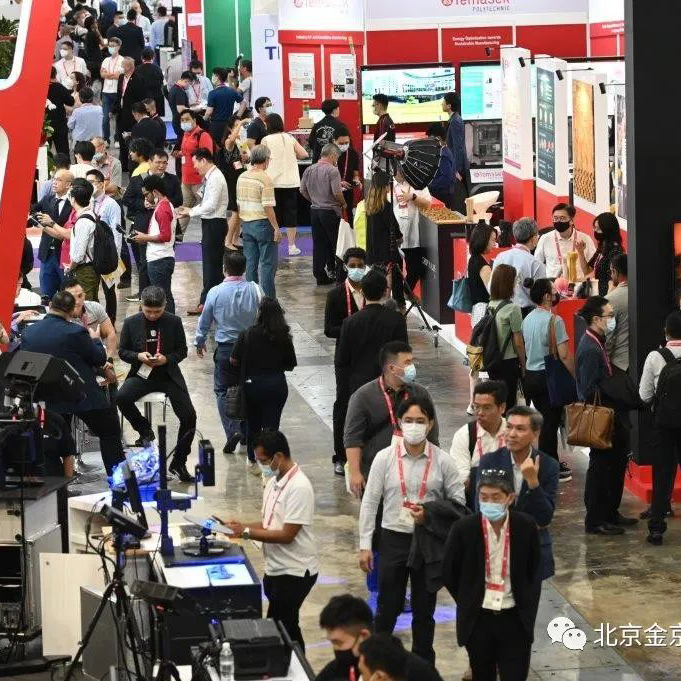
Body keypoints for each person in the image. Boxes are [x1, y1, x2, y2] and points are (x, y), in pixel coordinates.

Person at [359, 396, 465, 663]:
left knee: (424, 609)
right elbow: (370, 502)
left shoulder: (443, 461)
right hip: (393, 538)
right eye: (409, 420)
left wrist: (430, 514)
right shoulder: (384, 458)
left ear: (430, 424)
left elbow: (459, 504)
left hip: (427, 540)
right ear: (399, 422)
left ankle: (423, 663)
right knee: (388, 605)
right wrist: (365, 544)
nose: (414, 426)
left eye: (420, 421)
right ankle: (378, 662)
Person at [214, 429, 317, 650]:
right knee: (288, 628)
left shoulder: (299, 487)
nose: (261, 465)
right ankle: (297, 663)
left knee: (279, 629)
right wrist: (239, 526)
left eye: (263, 461)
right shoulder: (272, 483)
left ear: (278, 456)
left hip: (295, 571)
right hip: (275, 568)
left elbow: (287, 535)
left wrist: (245, 532)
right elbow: (268, 524)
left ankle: (293, 664)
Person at [442, 468, 541, 681]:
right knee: (482, 675)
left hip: (515, 618)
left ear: (510, 498)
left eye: (496, 497)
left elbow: (533, 570)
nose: (489, 503)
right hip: (479, 619)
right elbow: (449, 571)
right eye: (484, 497)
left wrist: (527, 609)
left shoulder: (525, 527)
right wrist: (468, 598)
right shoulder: (464, 528)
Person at [21, 291, 124, 475]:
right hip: (81, 395)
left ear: (50, 306)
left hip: (47, 399)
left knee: (55, 438)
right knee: (110, 432)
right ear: (71, 311)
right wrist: (95, 340)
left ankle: (58, 481)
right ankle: (118, 480)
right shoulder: (76, 331)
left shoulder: (29, 332)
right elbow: (98, 358)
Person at [117, 285, 197, 482]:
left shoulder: (174, 321)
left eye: (157, 311)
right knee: (121, 397)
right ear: (141, 305)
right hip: (141, 375)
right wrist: (138, 356)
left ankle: (179, 461)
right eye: (148, 311)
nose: (153, 315)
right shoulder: (131, 323)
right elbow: (123, 352)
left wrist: (167, 359)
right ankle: (145, 430)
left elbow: (182, 351)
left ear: (165, 306)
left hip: (168, 375)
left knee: (189, 416)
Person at [344, 340, 439, 498]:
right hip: (376, 474)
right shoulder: (363, 396)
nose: (412, 367)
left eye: (412, 362)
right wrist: (355, 473)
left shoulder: (420, 393)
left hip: (415, 473)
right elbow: (353, 438)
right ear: (392, 368)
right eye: (407, 363)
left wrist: (434, 468)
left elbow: (433, 435)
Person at [576, 296, 637, 535]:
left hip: (611, 415)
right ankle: (595, 519)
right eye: (609, 316)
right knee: (601, 468)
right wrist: (614, 391)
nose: (612, 320)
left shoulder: (598, 342)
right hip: (601, 418)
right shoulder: (590, 348)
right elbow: (588, 389)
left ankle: (610, 512)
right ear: (596, 319)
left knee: (615, 465)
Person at [478, 406, 559, 581]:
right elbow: (481, 510)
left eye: (520, 429)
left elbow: (544, 518)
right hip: (495, 548)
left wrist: (533, 482)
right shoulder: (489, 461)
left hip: (531, 551)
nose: (512, 434)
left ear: (535, 434)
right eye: (509, 427)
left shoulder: (549, 465)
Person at [195, 251, 261, 454]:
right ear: (245, 269)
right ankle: (248, 432)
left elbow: (205, 319)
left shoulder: (215, 292)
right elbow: (264, 315)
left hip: (226, 349)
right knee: (250, 389)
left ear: (224, 269)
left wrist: (199, 340)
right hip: (251, 348)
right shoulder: (255, 289)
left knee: (223, 390)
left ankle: (232, 430)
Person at [230, 298, 297, 468]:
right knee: (272, 425)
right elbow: (291, 364)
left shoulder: (247, 334)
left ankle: (253, 458)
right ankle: (271, 458)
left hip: (252, 384)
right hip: (276, 384)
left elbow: (233, 360)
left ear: (259, 313)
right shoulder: (284, 336)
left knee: (253, 424)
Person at [316, 595, 444, 681]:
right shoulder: (335, 672)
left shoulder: (417, 672)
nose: (336, 650)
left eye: (338, 642)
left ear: (364, 636)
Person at [522, 279, 574, 481]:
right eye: (553, 291)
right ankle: (548, 467)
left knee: (546, 421)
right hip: (548, 378)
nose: (556, 293)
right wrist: (576, 376)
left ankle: (549, 462)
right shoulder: (555, 321)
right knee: (550, 424)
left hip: (530, 376)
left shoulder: (527, 319)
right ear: (546, 296)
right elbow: (564, 354)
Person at [639, 310, 681, 545]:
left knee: (662, 473)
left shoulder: (655, 357)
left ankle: (656, 527)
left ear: (666, 331)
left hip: (664, 424)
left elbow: (644, 396)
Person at [325, 247, 367, 475]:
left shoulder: (371, 291)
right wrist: (352, 328)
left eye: (360, 266)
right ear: (345, 267)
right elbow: (328, 329)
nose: (356, 269)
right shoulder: (335, 295)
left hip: (368, 357)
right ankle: (340, 456)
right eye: (352, 266)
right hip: (345, 360)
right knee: (343, 405)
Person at [337, 271, 408, 397]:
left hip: (359, 387)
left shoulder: (350, 322)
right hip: (389, 386)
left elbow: (342, 361)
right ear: (385, 291)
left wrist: (344, 394)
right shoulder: (397, 320)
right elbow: (403, 356)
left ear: (362, 292)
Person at [176, 148, 228, 314]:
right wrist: (190, 210)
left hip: (215, 224)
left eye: (195, 163)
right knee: (212, 265)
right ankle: (215, 301)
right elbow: (207, 202)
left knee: (211, 266)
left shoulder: (216, 178)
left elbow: (211, 205)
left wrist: (191, 211)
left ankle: (206, 303)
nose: (194, 167)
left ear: (203, 160)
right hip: (211, 223)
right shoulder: (211, 177)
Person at [450, 380, 508, 508]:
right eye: (476, 407)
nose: (480, 412)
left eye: (487, 408)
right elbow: (462, 481)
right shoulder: (465, 435)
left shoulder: (513, 433)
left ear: (502, 408)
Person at [236, 144, 281, 299]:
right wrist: (276, 228)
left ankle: (252, 298)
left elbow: (239, 203)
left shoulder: (242, 176)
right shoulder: (265, 179)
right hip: (262, 224)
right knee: (268, 265)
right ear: (266, 159)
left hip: (246, 224)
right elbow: (268, 207)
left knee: (250, 264)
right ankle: (268, 302)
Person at [128, 175, 177, 313]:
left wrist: (145, 238)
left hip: (160, 259)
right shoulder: (163, 206)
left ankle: (170, 322)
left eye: (146, 195)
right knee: (164, 295)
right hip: (159, 258)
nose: (145, 199)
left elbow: (165, 236)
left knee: (163, 296)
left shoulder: (163, 208)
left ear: (155, 192)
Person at [262, 113, 309, 257]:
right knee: (291, 214)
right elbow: (304, 154)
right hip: (290, 181)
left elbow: (261, 157)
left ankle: (272, 244)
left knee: (272, 213)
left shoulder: (266, 139)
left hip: (272, 181)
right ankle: (292, 245)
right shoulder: (290, 138)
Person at [300, 143, 346, 285]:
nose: (336, 160)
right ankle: (340, 275)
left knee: (319, 244)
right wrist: (343, 203)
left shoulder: (309, 169)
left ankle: (320, 275)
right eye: (336, 157)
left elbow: (302, 190)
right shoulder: (333, 171)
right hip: (330, 211)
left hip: (315, 211)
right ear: (332, 155)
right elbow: (337, 192)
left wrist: (314, 199)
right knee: (337, 244)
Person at [62, 275, 118, 387]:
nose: (77, 301)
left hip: (99, 356)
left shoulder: (94, 307)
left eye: (80, 296)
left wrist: (109, 359)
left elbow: (110, 333)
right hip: (76, 362)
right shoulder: (61, 317)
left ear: (85, 295)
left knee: (112, 381)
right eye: (72, 297)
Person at [486, 264, 526, 410]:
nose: (516, 283)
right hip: (508, 362)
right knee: (508, 404)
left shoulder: (490, 305)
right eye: (514, 280)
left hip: (492, 360)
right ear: (508, 283)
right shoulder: (513, 309)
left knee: (497, 402)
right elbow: (518, 342)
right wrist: (524, 365)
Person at [466, 224, 497, 411]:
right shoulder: (483, 265)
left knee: (476, 358)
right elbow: (493, 291)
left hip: (477, 312)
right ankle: (479, 403)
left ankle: (473, 402)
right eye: (492, 239)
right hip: (485, 313)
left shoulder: (473, 260)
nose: (494, 243)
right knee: (484, 358)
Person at [86, 168, 122, 323]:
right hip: (91, 254)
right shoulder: (87, 202)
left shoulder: (111, 204)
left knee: (109, 290)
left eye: (91, 182)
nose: (88, 186)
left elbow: (117, 231)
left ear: (101, 184)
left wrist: (116, 256)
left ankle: (111, 322)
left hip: (107, 254)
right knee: (92, 289)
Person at [365, 170, 404, 308]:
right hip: (387, 253)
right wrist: (399, 238)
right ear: (385, 187)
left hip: (373, 253)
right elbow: (394, 229)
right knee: (394, 282)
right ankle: (397, 305)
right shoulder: (385, 207)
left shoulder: (369, 206)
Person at [33, 169, 74, 298]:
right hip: (46, 254)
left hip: (64, 255)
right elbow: (31, 211)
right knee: (46, 295)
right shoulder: (47, 199)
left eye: (59, 180)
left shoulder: (73, 204)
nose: (54, 182)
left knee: (67, 295)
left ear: (68, 184)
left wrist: (46, 226)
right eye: (54, 179)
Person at [492, 217, 546, 317]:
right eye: (537, 235)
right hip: (526, 314)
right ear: (533, 238)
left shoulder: (500, 256)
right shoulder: (535, 263)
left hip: (500, 311)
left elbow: (491, 286)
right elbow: (540, 296)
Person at [176, 108, 214, 238]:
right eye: (182, 120)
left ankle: (209, 236)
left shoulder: (202, 135)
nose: (184, 122)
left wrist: (204, 177)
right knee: (184, 208)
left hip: (199, 181)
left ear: (194, 120)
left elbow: (207, 158)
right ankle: (178, 236)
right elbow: (187, 152)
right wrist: (180, 153)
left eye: (187, 119)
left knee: (206, 209)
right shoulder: (185, 134)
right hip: (186, 179)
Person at [392, 170, 431, 292]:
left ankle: (406, 293)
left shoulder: (417, 182)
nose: (402, 172)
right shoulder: (388, 184)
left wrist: (413, 197)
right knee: (395, 272)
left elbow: (427, 204)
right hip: (395, 235)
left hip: (413, 236)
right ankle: (399, 298)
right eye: (399, 169)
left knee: (415, 270)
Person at [535, 203, 596, 280]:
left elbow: (594, 265)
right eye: (555, 218)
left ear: (571, 221)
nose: (558, 221)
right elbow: (537, 263)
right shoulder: (545, 238)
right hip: (554, 283)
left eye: (562, 218)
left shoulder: (585, 239)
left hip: (579, 283)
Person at [216, 116, 249, 251]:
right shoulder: (228, 142)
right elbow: (232, 138)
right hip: (231, 179)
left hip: (241, 177)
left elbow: (246, 159)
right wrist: (241, 123)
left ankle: (235, 239)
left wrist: (246, 158)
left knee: (240, 211)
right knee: (235, 211)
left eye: (240, 126)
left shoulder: (241, 143)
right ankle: (227, 240)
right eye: (236, 126)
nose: (239, 128)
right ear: (230, 129)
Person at [577, 212, 624, 296]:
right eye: (594, 227)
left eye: (598, 229)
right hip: (597, 293)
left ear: (607, 230)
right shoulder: (602, 246)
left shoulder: (615, 250)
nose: (595, 231)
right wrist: (581, 252)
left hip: (606, 296)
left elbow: (613, 282)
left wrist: (607, 301)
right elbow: (587, 271)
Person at [67, 178, 99, 301]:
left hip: (85, 270)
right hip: (91, 267)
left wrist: (70, 268)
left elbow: (78, 255)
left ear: (73, 199)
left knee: (85, 304)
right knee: (92, 302)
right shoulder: (90, 214)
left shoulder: (83, 222)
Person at [115, 57, 146, 172]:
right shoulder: (121, 77)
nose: (121, 67)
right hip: (121, 112)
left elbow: (141, 97)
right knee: (121, 137)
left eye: (123, 65)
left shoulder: (138, 79)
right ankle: (123, 164)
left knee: (131, 139)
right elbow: (119, 94)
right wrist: (114, 109)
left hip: (132, 114)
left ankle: (133, 163)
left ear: (128, 67)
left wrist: (137, 112)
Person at [442, 92, 468, 213]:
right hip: (454, 166)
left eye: (443, 101)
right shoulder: (454, 119)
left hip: (456, 168)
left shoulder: (455, 121)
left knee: (458, 200)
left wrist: (457, 170)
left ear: (449, 105)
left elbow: (458, 147)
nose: (441, 104)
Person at [205, 66, 243, 144]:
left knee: (216, 146)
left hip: (216, 125)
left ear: (217, 77)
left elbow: (209, 111)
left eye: (213, 75)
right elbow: (243, 103)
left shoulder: (212, 93)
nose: (212, 77)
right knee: (227, 144)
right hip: (229, 124)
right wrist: (238, 116)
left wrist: (204, 119)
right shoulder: (231, 91)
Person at [606, 253, 629, 371]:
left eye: (611, 271)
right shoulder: (643, 293)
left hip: (619, 362)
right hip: (643, 358)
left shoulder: (611, 299)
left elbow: (609, 335)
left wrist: (605, 360)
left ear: (616, 272)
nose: (611, 275)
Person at [99, 38, 124, 145]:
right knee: (105, 118)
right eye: (110, 45)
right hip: (106, 92)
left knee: (118, 117)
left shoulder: (122, 60)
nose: (111, 47)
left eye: (113, 45)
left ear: (119, 47)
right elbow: (102, 74)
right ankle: (106, 138)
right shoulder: (106, 60)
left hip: (117, 92)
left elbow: (119, 76)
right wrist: (112, 74)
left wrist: (108, 74)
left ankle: (117, 138)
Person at [426, 122, 456, 209]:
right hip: (444, 193)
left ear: (438, 138)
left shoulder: (443, 155)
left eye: (431, 139)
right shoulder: (445, 151)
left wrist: (430, 185)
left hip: (442, 195)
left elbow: (446, 177)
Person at [47, 66, 75, 156]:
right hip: (59, 123)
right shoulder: (59, 87)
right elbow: (71, 101)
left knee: (44, 151)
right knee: (63, 151)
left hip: (45, 124)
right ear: (55, 75)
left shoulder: (40, 87)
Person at [334, 126, 361, 218]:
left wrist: (357, 180)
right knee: (335, 216)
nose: (344, 145)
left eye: (346, 143)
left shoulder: (353, 154)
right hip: (332, 190)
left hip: (347, 189)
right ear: (334, 141)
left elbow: (356, 173)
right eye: (341, 143)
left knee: (349, 214)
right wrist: (338, 183)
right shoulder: (329, 153)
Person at [309, 98, 345, 163]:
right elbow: (345, 146)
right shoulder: (340, 126)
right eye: (338, 108)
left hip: (318, 162)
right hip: (334, 163)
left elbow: (311, 144)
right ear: (334, 110)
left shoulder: (316, 126)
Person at [167, 71, 192, 159]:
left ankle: (177, 159)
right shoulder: (179, 91)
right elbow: (180, 108)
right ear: (186, 80)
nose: (189, 85)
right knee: (181, 143)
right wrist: (193, 110)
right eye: (189, 83)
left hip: (177, 120)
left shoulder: (175, 88)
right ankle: (178, 161)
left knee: (180, 141)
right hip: (180, 121)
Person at [135, 47, 165, 117]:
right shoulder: (157, 68)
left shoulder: (137, 69)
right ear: (153, 57)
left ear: (142, 57)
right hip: (155, 99)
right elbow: (161, 82)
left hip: (141, 98)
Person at [82, 15, 105, 87]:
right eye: (95, 22)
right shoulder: (93, 34)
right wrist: (97, 30)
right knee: (98, 81)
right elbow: (103, 43)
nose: (97, 23)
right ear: (92, 25)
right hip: (96, 61)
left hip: (91, 60)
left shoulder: (88, 34)